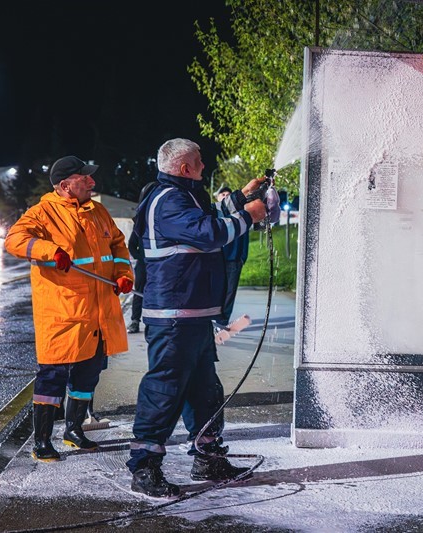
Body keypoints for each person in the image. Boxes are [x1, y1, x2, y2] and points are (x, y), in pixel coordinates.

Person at [126, 138, 267, 498]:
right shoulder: (168, 199)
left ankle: (207, 458)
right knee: (165, 390)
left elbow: (209, 216)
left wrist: (241, 197)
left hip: (193, 315)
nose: (205, 165)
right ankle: (144, 468)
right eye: (199, 161)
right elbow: (209, 233)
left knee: (204, 391)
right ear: (185, 168)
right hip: (174, 316)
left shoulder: (184, 196)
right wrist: (249, 215)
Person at [4, 155, 134, 462]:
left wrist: (123, 274)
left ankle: (74, 430)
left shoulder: (98, 212)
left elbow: (118, 245)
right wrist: (50, 251)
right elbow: (14, 240)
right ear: (65, 185)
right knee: (52, 378)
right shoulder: (42, 213)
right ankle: (41, 441)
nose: (92, 181)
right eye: (84, 178)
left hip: (98, 313)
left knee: (88, 375)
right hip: (63, 313)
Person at [215, 186, 249, 328]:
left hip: (233, 260)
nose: (225, 196)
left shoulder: (239, 216)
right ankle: (212, 319)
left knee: (229, 292)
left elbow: (245, 238)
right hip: (216, 259)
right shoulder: (213, 213)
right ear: (217, 197)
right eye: (222, 194)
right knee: (215, 291)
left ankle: (222, 322)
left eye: (228, 194)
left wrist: (242, 258)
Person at [127, 182, 157, 334]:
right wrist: (142, 258)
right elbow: (132, 245)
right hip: (144, 265)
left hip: (161, 265)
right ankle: (135, 321)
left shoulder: (164, 219)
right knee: (139, 292)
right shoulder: (140, 222)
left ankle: (156, 322)